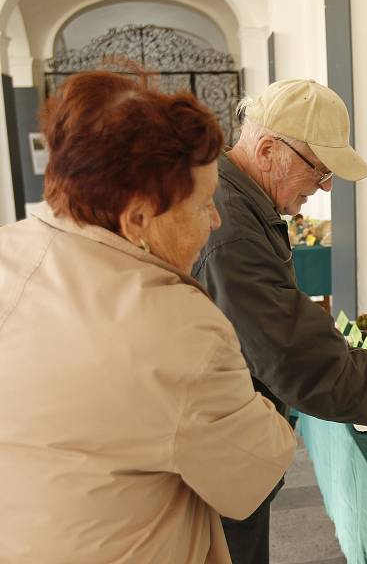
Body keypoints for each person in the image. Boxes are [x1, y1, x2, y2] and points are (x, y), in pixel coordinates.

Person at [0, 71, 296, 564]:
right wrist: (262, 406)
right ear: (138, 218)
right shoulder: (176, 330)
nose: (217, 219)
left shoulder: (9, 248)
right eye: (203, 203)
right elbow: (255, 472)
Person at [192, 79, 367, 564]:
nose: (326, 186)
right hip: (217, 460)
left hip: (226, 447)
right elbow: (308, 368)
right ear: (267, 150)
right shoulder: (234, 234)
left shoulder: (237, 205)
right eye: (320, 169)